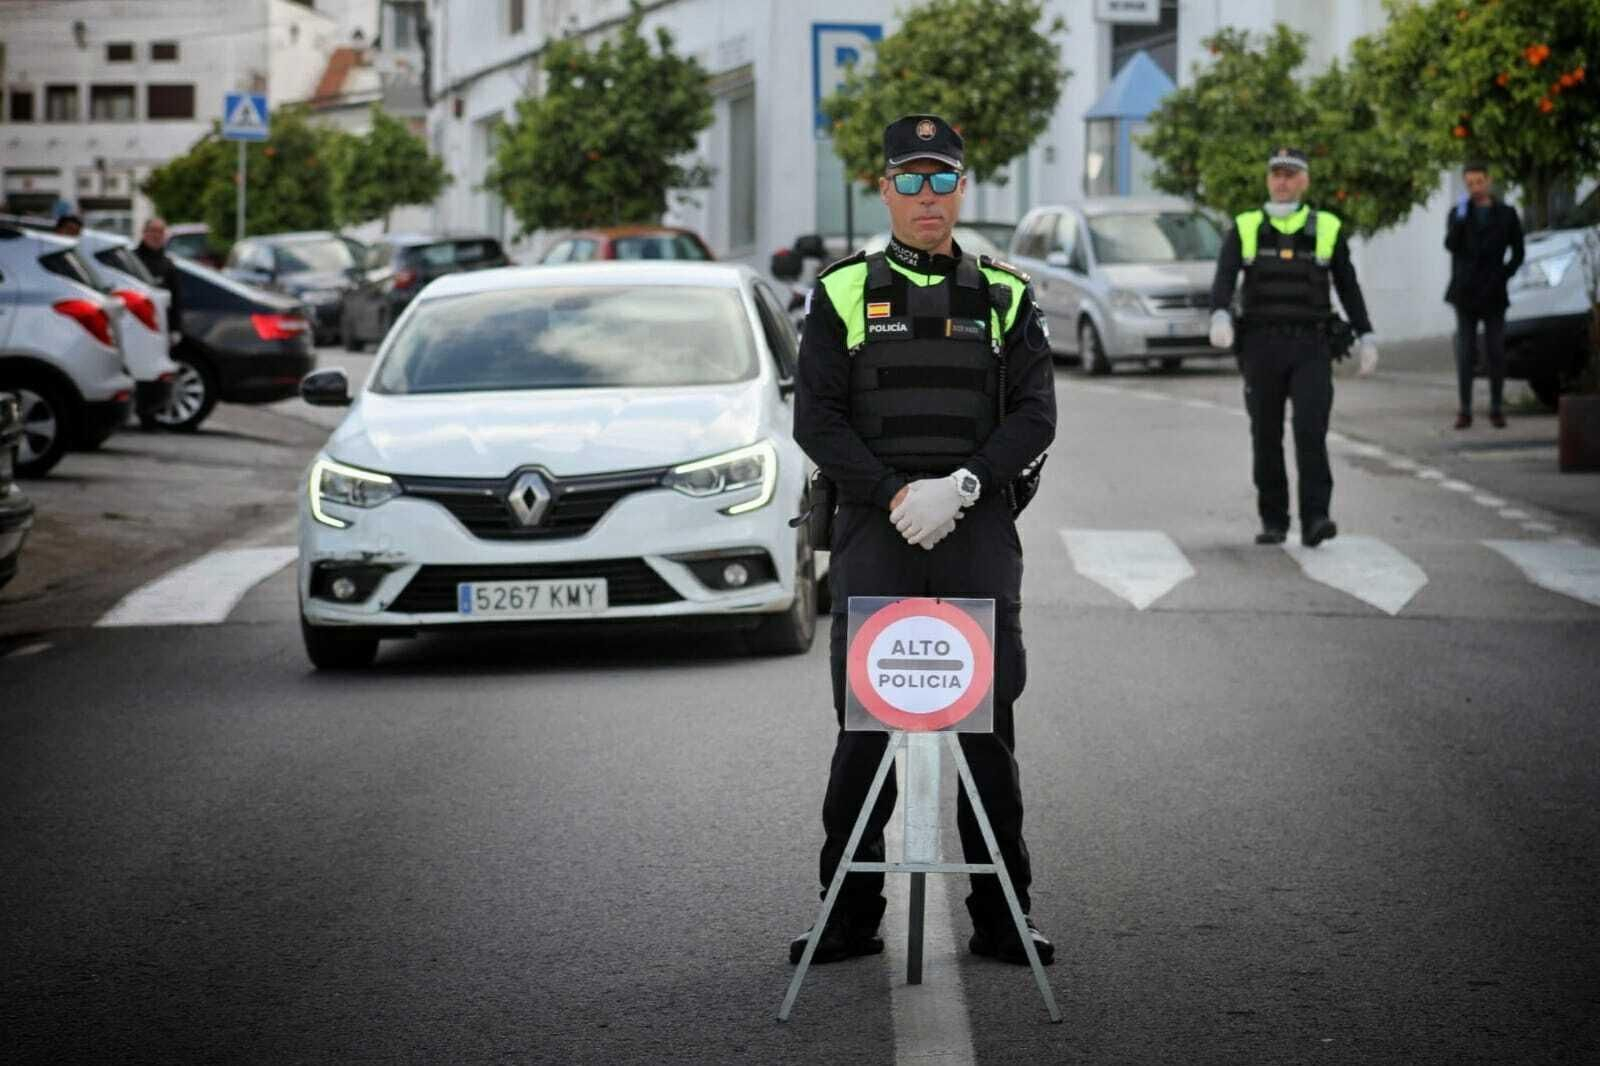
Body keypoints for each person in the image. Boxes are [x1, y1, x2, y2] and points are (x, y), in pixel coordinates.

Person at [789, 114, 1057, 967]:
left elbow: (1036, 415)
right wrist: (895, 493)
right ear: (885, 190)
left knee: (986, 734)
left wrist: (964, 486)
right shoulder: (841, 293)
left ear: (963, 188)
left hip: (975, 531)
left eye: (942, 178)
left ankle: (1003, 915)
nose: (927, 194)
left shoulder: (1006, 295)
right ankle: (847, 914)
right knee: (865, 732)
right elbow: (816, 419)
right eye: (911, 178)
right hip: (879, 531)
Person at [1209, 147, 1378, 548]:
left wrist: (1366, 334)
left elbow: (1348, 285)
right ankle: (1274, 520)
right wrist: (1219, 314)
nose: (1282, 182)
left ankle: (1316, 517)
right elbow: (1225, 277)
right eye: (1276, 174)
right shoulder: (1246, 226)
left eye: (1290, 175)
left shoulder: (1327, 227)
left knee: (1310, 431)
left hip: (1311, 345)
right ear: (1268, 179)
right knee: (1265, 434)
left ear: (1304, 180)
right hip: (1261, 345)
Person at [1445, 162, 1524, 429]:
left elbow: (1518, 251)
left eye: (1479, 182)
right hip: (1465, 291)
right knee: (1466, 352)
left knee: (1495, 351)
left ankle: (1496, 407)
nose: (1475, 188)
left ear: (1488, 181)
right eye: (1470, 184)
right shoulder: (1459, 213)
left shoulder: (1506, 214)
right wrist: (1459, 220)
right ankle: (1465, 409)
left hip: (1493, 290)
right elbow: (1451, 245)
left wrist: (1504, 274)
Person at [134, 217, 183, 336]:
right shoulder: (132, 260)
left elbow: (176, 299)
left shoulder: (168, 265)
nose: (156, 235)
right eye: (153, 230)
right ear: (144, 232)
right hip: (135, 324)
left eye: (160, 232)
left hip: (160, 327)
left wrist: (175, 328)